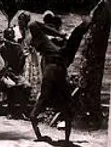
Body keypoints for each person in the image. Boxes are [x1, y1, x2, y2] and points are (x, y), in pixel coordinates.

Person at [28, 11, 94, 144]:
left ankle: (56, 137)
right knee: (63, 105)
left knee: (46, 102)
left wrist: (59, 35)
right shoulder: (49, 41)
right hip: (58, 68)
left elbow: (33, 24)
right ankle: (65, 139)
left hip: (55, 67)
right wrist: (60, 34)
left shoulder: (45, 41)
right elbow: (34, 25)